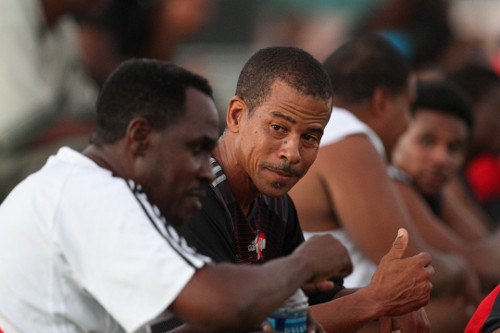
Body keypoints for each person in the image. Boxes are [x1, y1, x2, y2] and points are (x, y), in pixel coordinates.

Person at [0, 59, 356, 333]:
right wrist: (304, 263)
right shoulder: (92, 195)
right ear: (140, 137)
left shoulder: (84, 186)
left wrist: (277, 295)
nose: (206, 170)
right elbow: (221, 304)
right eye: (196, 149)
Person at [177, 45, 435, 332]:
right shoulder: (193, 196)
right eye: (278, 128)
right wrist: (374, 300)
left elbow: (313, 301)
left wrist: (391, 298)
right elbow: (231, 325)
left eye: (310, 137)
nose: (293, 153)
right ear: (237, 115)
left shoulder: (276, 205)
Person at [288, 34, 482, 332]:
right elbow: (413, 264)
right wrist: (461, 270)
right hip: (328, 309)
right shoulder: (350, 138)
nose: (406, 124)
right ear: (381, 102)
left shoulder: (326, 130)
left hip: (314, 303)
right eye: (408, 109)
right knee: (473, 307)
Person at [391, 79, 500, 331]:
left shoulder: (434, 187)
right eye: (427, 141)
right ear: (397, 134)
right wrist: (464, 268)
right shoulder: (393, 184)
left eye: (454, 148)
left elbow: (484, 247)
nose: (442, 158)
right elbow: (481, 264)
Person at [0, 0, 109, 202]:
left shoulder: (63, 26)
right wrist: (117, 135)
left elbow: (86, 108)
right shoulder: (7, 11)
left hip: (27, 154)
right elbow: (21, 131)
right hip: (7, 159)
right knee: (103, 159)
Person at [444, 64, 500, 225]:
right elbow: (480, 240)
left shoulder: (462, 175)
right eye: (498, 108)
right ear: (468, 107)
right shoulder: (444, 177)